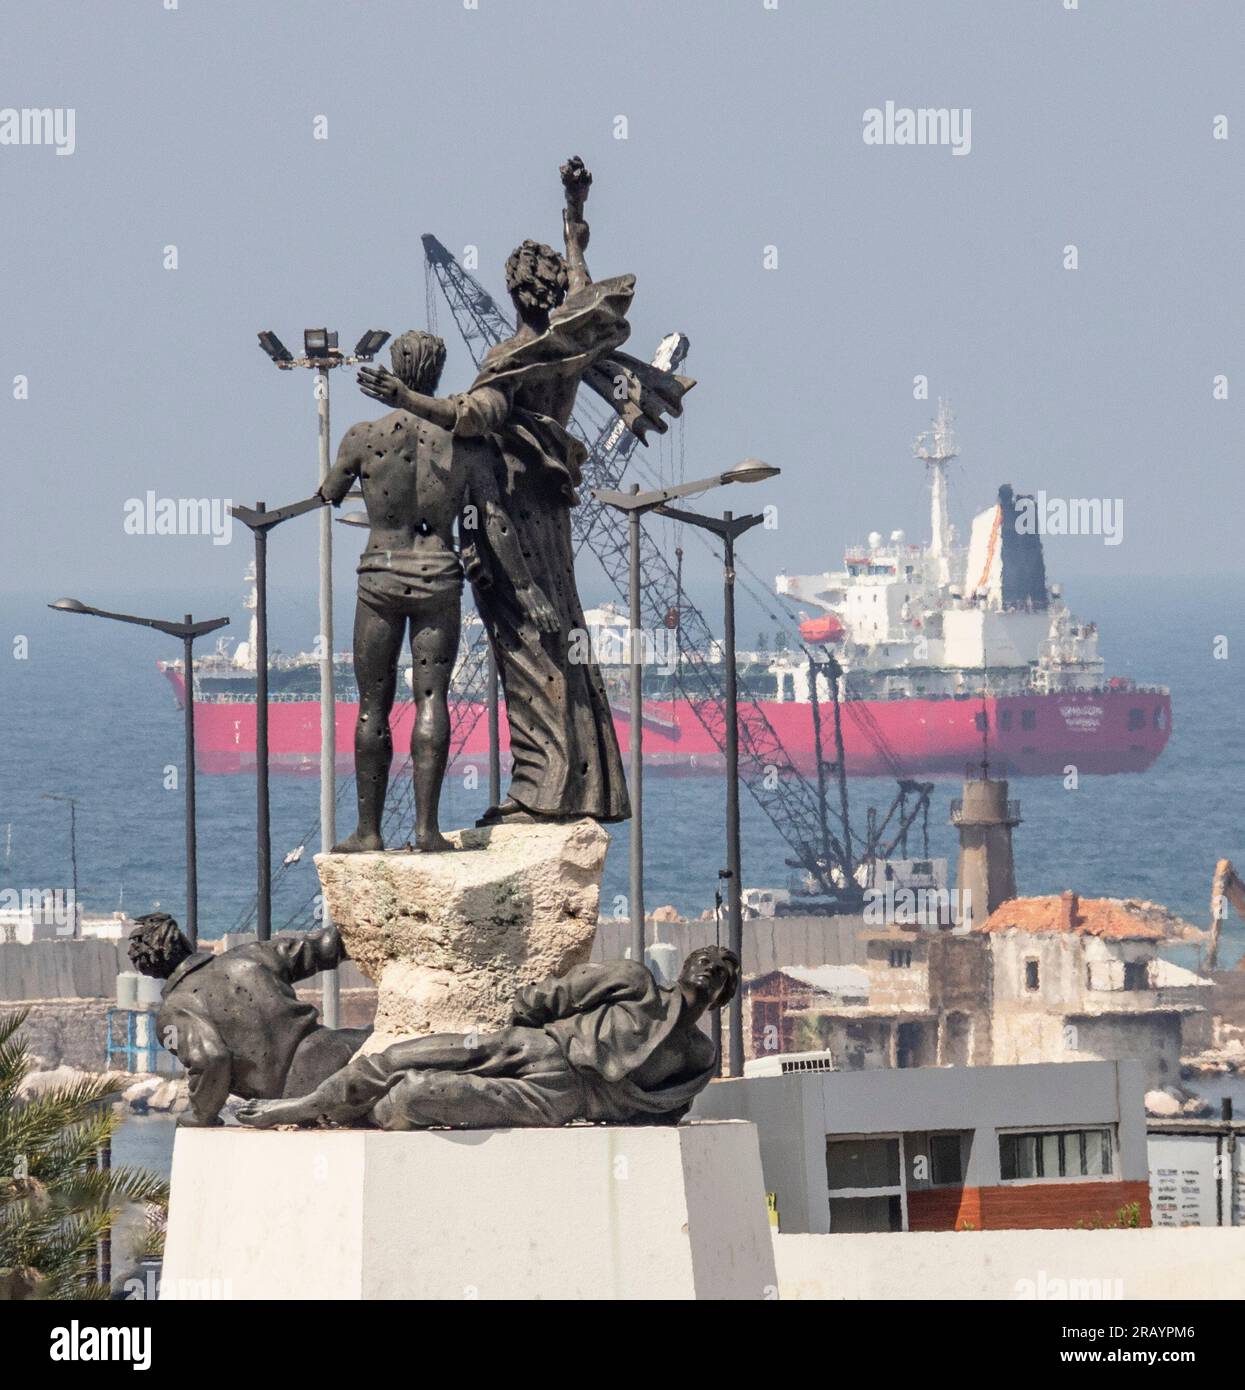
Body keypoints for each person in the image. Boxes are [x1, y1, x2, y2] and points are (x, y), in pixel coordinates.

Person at [357, 156, 693, 826]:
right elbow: (582, 289)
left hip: (508, 509)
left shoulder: (507, 359)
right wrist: (572, 220)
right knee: (561, 637)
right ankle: (579, 786)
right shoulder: (567, 341)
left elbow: (475, 416)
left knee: (525, 645)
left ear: (511, 294)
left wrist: (403, 397)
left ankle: (541, 788)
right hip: (552, 508)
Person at [319, 330, 557, 853]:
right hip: (438, 578)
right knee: (432, 698)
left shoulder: (362, 436)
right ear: (437, 372)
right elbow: (493, 524)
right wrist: (524, 587)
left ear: (395, 369)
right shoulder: (466, 444)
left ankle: (369, 831)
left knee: (371, 706)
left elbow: (331, 492)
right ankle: (427, 831)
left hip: (379, 578)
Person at [236, 946, 740, 1131]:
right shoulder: (634, 981)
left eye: (722, 971)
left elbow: (663, 1111)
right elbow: (553, 995)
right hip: (542, 1046)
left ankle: (354, 1114)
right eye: (705, 959)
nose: (711, 968)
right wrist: (519, 1033)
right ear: (686, 965)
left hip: (561, 1100)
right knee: (403, 1055)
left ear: (723, 995)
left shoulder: (698, 1055)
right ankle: (309, 1103)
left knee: (417, 1093)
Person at [126, 912, 370, 1127]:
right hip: (341, 1049)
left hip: (296, 1097)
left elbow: (211, 1059)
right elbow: (325, 946)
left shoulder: (173, 1013)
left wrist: (202, 1115)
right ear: (184, 942)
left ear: (148, 971)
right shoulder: (250, 955)